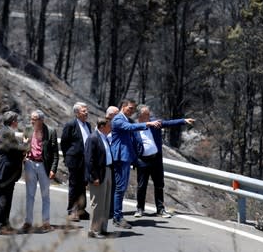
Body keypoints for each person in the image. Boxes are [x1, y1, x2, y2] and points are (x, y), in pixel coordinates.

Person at [133, 104, 195, 218]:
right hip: (142, 160)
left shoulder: (155, 124)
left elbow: (169, 123)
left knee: (159, 184)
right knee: (142, 186)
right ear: (140, 115)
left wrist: (184, 121)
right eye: (146, 114)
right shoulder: (134, 127)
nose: (149, 116)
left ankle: (160, 210)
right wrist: (134, 160)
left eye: (149, 114)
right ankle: (140, 209)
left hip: (156, 159)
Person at [110, 99, 161, 229]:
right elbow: (130, 128)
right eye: (130, 108)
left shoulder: (125, 119)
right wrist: (147, 124)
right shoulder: (118, 119)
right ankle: (117, 217)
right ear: (123, 106)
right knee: (120, 189)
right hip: (120, 157)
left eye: (133, 109)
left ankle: (118, 216)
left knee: (121, 189)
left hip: (126, 157)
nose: (132, 111)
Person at [20, 110, 59, 233]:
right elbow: (24, 145)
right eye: (31, 118)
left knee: (45, 196)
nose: (32, 121)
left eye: (34, 119)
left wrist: (53, 169)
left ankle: (46, 222)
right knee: (30, 195)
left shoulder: (51, 131)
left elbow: (55, 153)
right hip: (30, 164)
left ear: (41, 120)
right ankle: (28, 222)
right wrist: (24, 155)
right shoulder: (27, 129)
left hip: (44, 166)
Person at [0, 111, 27, 235]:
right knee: (4, 200)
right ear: (13, 121)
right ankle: (0, 226)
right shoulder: (7, 133)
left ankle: (5, 224)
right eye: (16, 120)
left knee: (7, 199)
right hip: (3, 173)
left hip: (6, 172)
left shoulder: (6, 131)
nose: (17, 122)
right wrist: (26, 144)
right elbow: (16, 149)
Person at [60, 102, 91, 222]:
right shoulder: (71, 125)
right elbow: (64, 142)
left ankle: (81, 209)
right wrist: (68, 157)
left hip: (85, 160)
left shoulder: (87, 125)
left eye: (86, 110)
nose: (86, 112)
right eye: (84, 111)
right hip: (74, 160)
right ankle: (72, 210)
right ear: (77, 113)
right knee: (74, 185)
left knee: (83, 184)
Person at [84, 118, 114, 239]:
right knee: (97, 203)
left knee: (106, 202)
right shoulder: (93, 138)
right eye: (109, 125)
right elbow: (89, 160)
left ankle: (103, 228)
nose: (111, 127)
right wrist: (93, 177)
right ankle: (93, 230)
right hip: (98, 174)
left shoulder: (104, 137)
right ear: (102, 126)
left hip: (107, 171)